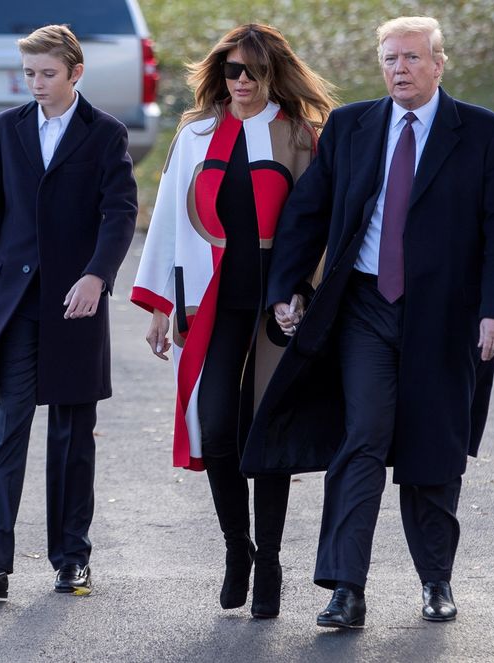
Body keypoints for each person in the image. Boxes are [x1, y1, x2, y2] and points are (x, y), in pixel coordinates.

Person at [241, 16, 494, 627]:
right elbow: (308, 211)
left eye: (412, 58)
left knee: (433, 447)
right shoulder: (351, 126)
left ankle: (435, 581)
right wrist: (287, 287)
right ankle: (346, 588)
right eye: (390, 59)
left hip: (445, 318)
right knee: (361, 437)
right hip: (366, 308)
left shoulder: (480, 132)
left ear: (438, 63)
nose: (399, 69)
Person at [131, 24, 334, 618]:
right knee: (217, 429)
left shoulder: (301, 135)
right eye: (230, 71)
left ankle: (269, 560)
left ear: (272, 73)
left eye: (250, 71)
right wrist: (161, 307)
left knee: (266, 432)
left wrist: (303, 291)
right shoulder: (195, 134)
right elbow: (169, 216)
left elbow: (317, 222)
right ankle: (236, 550)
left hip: (279, 306)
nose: (239, 82)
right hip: (213, 302)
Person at [0, 24, 137, 599]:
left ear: (75, 73)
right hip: (14, 303)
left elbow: (120, 212)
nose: (36, 84)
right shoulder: (8, 129)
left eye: (47, 74)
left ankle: (72, 559)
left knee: (73, 435)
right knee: (9, 430)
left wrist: (97, 275)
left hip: (75, 304)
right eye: (28, 74)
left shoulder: (105, 134)